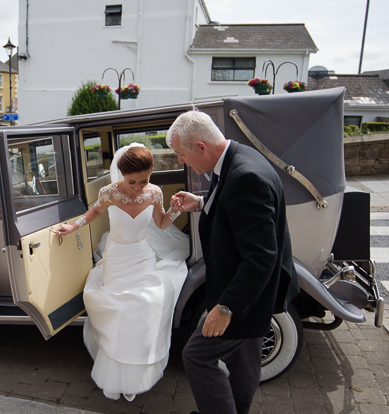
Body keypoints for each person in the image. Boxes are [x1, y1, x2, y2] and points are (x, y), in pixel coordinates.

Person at [167, 110, 299, 414]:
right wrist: (200, 203)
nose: (180, 161)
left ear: (200, 147)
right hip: (252, 294)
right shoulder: (237, 156)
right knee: (245, 365)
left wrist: (226, 308)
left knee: (196, 356)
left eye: (181, 153)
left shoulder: (245, 177)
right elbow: (233, 206)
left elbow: (261, 256)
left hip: (244, 295)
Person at [58, 144, 189, 402]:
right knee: (119, 311)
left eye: (144, 180)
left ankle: (137, 372)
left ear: (151, 172)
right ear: (120, 173)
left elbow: (162, 224)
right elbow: (94, 212)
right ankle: (118, 370)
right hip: (116, 259)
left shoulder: (154, 193)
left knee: (144, 307)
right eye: (132, 181)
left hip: (142, 258)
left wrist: (176, 209)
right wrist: (73, 226)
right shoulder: (108, 193)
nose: (138, 187)